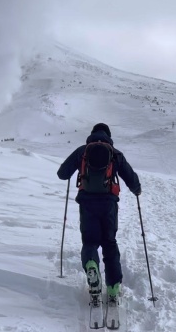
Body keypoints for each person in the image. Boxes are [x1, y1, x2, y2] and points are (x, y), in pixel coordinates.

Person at [57, 123, 141, 302]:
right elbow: (131, 178)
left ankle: (91, 267)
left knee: (90, 242)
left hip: (87, 204)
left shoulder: (82, 151)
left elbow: (62, 174)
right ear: (109, 135)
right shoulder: (115, 153)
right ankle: (113, 287)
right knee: (109, 243)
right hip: (109, 204)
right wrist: (137, 190)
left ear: (92, 134)